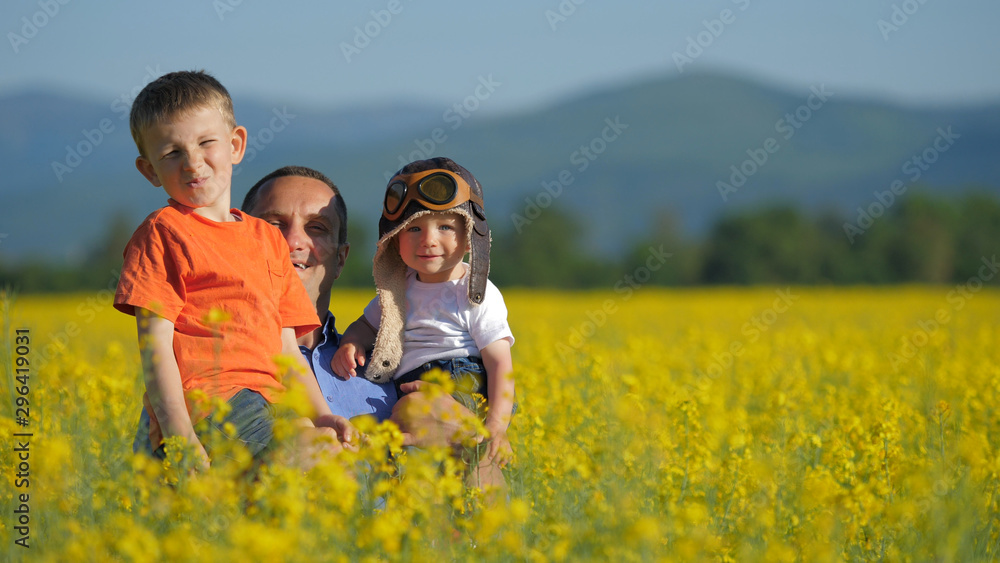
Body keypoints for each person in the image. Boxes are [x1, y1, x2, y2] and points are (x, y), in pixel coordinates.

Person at [113, 70, 355, 469]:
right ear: (150, 170)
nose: (193, 162)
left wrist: (321, 414)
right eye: (172, 153)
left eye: (206, 142)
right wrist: (181, 439)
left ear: (235, 145)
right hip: (211, 403)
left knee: (332, 456)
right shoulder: (164, 232)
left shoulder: (266, 239)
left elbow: (287, 350)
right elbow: (155, 350)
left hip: (271, 401)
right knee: (313, 462)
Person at [332, 157, 515, 490]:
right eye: (413, 228)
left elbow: (500, 365)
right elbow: (364, 325)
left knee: (470, 462)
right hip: (408, 389)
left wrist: (496, 427)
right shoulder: (397, 290)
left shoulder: (476, 292)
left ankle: (491, 528)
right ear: (394, 237)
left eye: (445, 227)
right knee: (423, 472)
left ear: (469, 235)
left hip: (463, 385)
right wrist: (351, 343)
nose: (427, 239)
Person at [241, 166, 397, 422]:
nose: (292, 242)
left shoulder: (389, 365)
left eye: (316, 227)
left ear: (341, 259)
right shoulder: (201, 363)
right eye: (274, 225)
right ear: (238, 243)